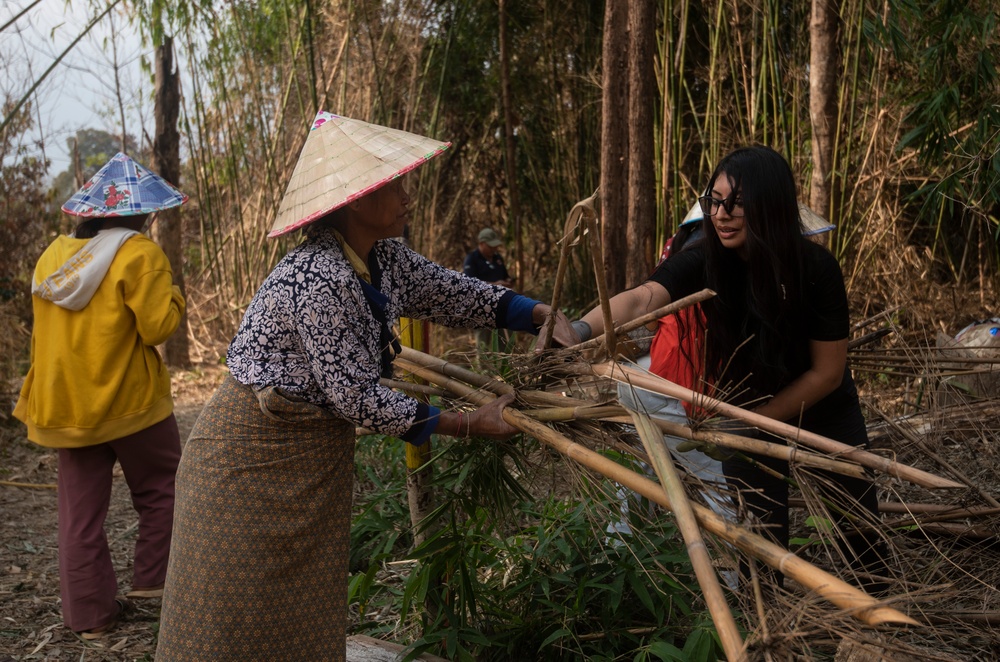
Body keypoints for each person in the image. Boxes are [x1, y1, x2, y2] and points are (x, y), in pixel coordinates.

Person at [155, 112, 575, 661]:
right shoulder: (319, 279)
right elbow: (357, 398)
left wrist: (541, 312)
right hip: (247, 463)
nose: (408, 196)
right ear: (355, 199)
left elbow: (456, 293)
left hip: (307, 458)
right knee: (231, 612)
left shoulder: (386, 258)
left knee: (296, 608)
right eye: (394, 185)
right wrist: (467, 424)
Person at [561, 145, 884, 589]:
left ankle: (877, 616)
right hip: (746, 404)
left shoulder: (816, 270)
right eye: (714, 200)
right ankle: (766, 629)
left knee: (859, 525)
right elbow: (642, 297)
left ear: (770, 204)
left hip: (821, 408)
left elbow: (826, 373)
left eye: (737, 203)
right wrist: (577, 329)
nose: (722, 214)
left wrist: (750, 427)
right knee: (759, 543)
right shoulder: (706, 258)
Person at [13, 153, 188, 639]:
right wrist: (175, 295)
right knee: (163, 488)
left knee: (79, 514)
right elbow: (158, 327)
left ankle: (90, 618)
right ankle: (154, 582)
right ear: (142, 214)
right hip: (131, 404)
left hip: (66, 405)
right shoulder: (140, 254)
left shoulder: (52, 256)